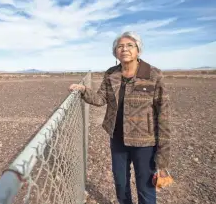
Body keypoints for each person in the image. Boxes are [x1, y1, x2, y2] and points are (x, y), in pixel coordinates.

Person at [69, 31, 172, 204]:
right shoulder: (111, 74)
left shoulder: (153, 74)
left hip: (144, 142)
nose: (124, 49)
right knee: (120, 183)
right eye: (120, 46)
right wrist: (83, 90)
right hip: (117, 138)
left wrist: (163, 156)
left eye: (130, 45)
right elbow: (101, 99)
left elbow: (163, 115)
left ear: (138, 50)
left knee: (145, 187)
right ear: (115, 52)